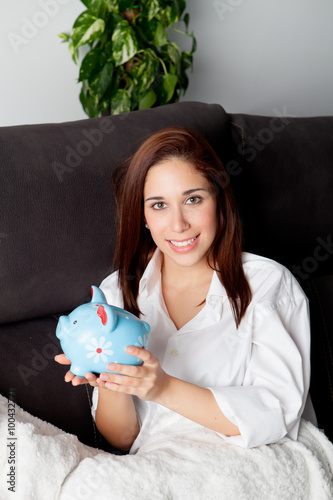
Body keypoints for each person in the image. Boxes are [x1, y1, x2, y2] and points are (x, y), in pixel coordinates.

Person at [55, 126, 311, 454]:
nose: (178, 224)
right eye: (159, 205)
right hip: (155, 468)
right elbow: (122, 439)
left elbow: (276, 414)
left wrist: (163, 388)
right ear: (143, 216)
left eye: (193, 199)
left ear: (220, 201)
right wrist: (110, 379)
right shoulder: (116, 295)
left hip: (252, 461)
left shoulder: (269, 285)